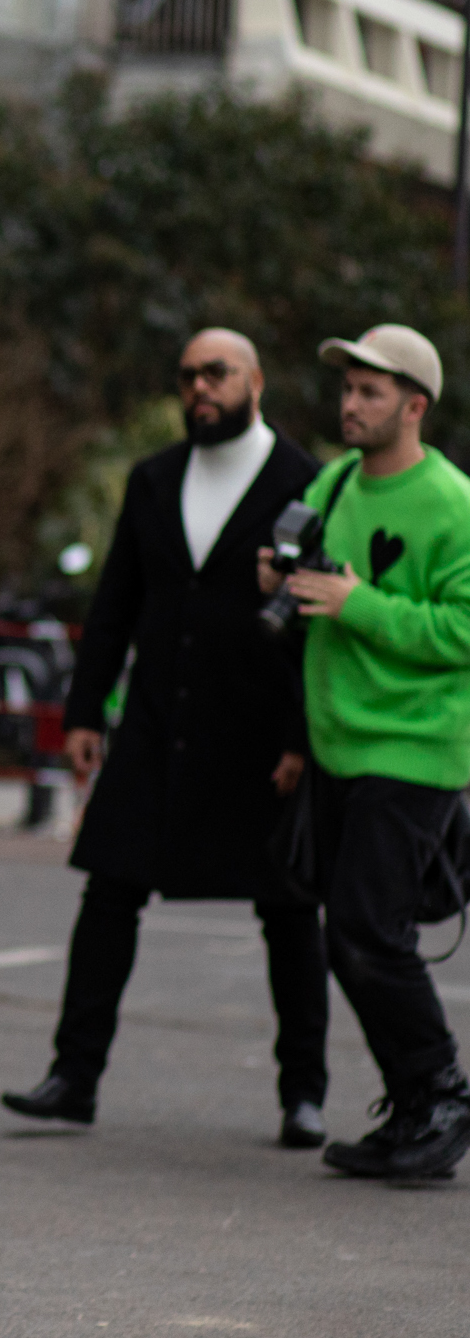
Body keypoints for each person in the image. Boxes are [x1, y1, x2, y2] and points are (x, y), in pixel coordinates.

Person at [3, 329, 329, 1146]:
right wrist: (84, 712)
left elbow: (317, 625)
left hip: (261, 731)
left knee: (288, 909)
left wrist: (302, 735)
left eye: (215, 373)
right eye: (187, 377)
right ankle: (73, 1078)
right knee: (108, 890)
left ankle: (304, 1092)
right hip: (157, 720)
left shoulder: (308, 482)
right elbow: (116, 599)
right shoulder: (153, 480)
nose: (199, 389)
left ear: (256, 379)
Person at [258, 325, 470, 1181]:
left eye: (371, 391)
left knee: (365, 932)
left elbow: (461, 628)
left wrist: (359, 603)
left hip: (415, 747)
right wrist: (280, 579)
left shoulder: (453, 501)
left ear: (414, 406)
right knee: (350, 937)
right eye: (346, 389)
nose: (350, 404)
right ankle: (416, 1104)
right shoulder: (334, 481)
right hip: (338, 743)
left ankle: (443, 1095)